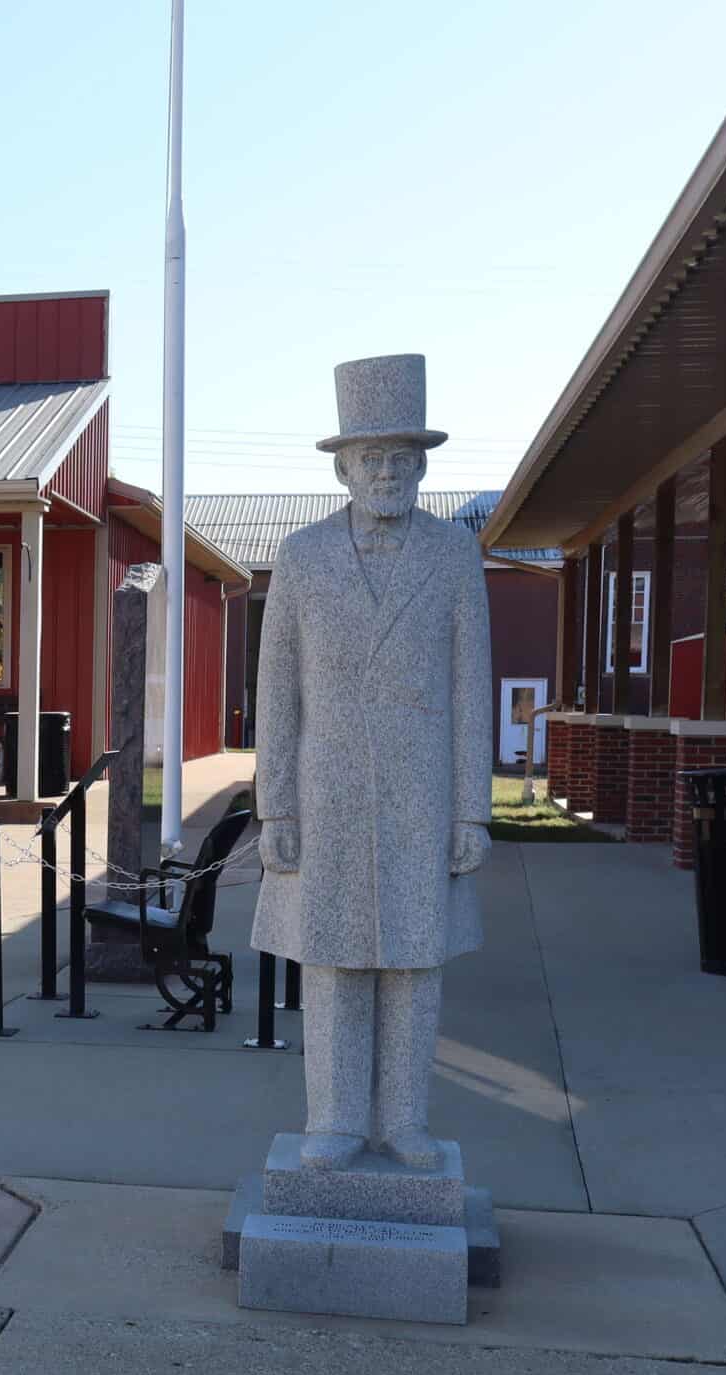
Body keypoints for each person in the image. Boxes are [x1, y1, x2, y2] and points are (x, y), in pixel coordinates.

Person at [249, 354, 491, 1171]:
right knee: (335, 959)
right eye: (372, 457)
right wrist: (277, 806)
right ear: (343, 468)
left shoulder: (454, 556)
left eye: (401, 458)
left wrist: (472, 810)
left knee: (414, 962)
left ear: (422, 467)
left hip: (422, 795)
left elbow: (471, 690)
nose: (387, 472)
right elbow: (277, 691)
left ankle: (405, 1121)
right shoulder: (302, 557)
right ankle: (334, 1120)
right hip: (329, 793)